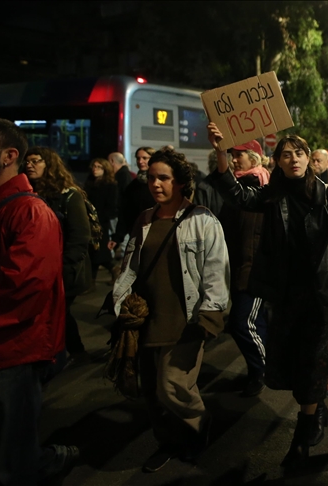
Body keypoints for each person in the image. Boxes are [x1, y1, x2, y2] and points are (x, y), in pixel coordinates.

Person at [209, 125, 328, 469]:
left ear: (309, 158)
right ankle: (317, 407)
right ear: (276, 161)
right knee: (293, 363)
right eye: (285, 154)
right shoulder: (273, 194)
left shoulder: (326, 193)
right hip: (284, 294)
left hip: (319, 294)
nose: (293, 159)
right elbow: (237, 196)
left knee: (312, 360)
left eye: (299, 153)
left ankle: (302, 439)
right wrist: (222, 153)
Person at [111, 148, 228, 472]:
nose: (155, 184)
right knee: (151, 390)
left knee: (173, 386)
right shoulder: (145, 220)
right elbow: (130, 267)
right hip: (148, 321)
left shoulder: (202, 220)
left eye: (164, 178)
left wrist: (209, 316)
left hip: (186, 319)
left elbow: (216, 271)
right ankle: (167, 443)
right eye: (151, 178)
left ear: (180, 182)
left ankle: (197, 428)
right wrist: (120, 303)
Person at [0, 117, 79, 484]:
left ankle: (47, 460)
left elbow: (18, 293)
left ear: (8, 155)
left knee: (10, 463)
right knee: (8, 447)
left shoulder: (31, 213)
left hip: (14, 354)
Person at [24, 146, 93, 368]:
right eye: (28, 161)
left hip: (64, 269)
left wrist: (65, 266)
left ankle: (73, 353)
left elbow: (80, 235)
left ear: (50, 165)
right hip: (40, 267)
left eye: (36, 161)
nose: (30, 165)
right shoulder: (28, 193)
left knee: (59, 311)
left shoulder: (68, 195)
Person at [217, 141, 271, 397]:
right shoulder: (241, 187)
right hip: (241, 267)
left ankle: (265, 367)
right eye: (233, 155)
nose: (235, 159)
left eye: (239, 155)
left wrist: (249, 272)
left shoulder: (257, 186)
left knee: (241, 323)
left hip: (253, 271)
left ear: (254, 158)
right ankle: (258, 371)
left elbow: (252, 237)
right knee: (255, 323)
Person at [108, 146, 156, 254]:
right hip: (137, 235)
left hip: (157, 234)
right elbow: (126, 212)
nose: (140, 161)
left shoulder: (158, 183)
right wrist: (117, 237)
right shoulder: (133, 186)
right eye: (138, 158)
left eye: (145, 158)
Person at [84, 157, 118, 282]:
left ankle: (113, 268)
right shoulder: (90, 183)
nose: (95, 169)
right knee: (93, 252)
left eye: (99, 167)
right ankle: (92, 280)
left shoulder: (109, 185)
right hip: (89, 221)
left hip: (101, 222)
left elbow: (111, 205)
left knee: (100, 252)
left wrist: (102, 218)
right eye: (94, 166)